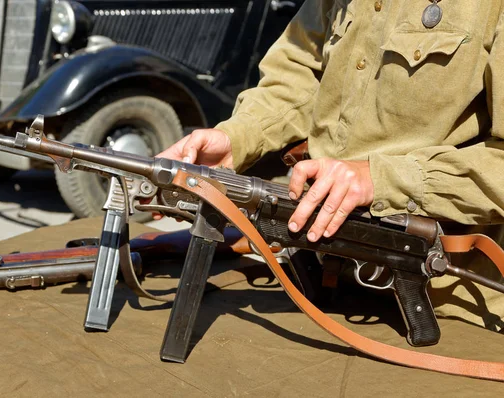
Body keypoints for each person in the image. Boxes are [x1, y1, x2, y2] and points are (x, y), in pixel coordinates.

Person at [158, 0, 504, 330]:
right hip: (316, 277)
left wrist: (383, 179)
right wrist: (238, 138)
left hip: (452, 306)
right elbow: (302, 74)